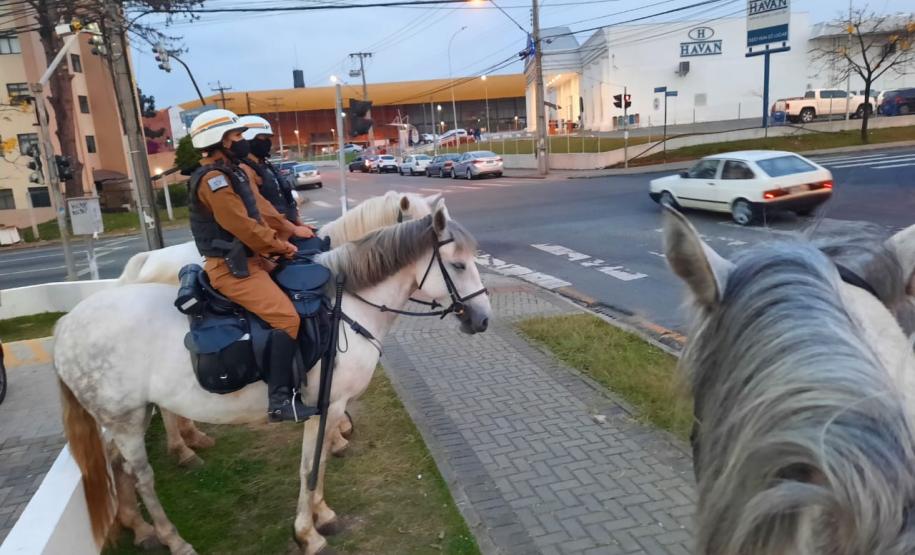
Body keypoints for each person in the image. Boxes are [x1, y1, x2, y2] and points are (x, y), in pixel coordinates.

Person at [186, 108, 314, 423]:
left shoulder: (233, 172)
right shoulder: (213, 180)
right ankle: (280, 401)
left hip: (252, 260)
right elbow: (241, 225)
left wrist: (284, 236)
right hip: (232, 269)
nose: (243, 141)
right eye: (236, 136)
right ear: (218, 140)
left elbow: (261, 211)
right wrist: (280, 245)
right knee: (287, 318)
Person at [237, 115, 302, 225]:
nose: (267, 142)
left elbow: (283, 196)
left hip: (287, 227)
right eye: (263, 137)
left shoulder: (266, 165)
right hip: (274, 231)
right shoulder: (244, 169)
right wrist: (293, 229)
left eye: (268, 138)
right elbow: (260, 206)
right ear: (249, 140)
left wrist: (298, 223)